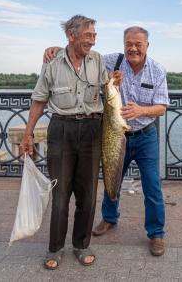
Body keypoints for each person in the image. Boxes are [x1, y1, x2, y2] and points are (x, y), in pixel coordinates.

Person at [44, 26, 169, 256]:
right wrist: (56, 49)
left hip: (144, 136)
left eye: (138, 45)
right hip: (113, 134)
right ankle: (109, 218)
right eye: (129, 44)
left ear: (147, 46)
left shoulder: (157, 71)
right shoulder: (111, 61)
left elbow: (162, 108)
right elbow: (82, 51)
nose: (133, 48)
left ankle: (156, 234)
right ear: (124, 44)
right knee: (112, 179)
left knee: (152, 186)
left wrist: (141, 110)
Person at [20, 15, 120, 270]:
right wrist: (28, 134)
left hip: (91, 130)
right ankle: (55, 248)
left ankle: (81, 245)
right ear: (71, 36)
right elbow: (39, 100)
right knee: (60, 194)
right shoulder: (52, 62)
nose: (92, 40)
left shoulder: (97, 60)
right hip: (61, 130)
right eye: (88, 35)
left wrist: (114, 83)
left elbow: (110, 88)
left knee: (87, 195)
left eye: (94, 35)